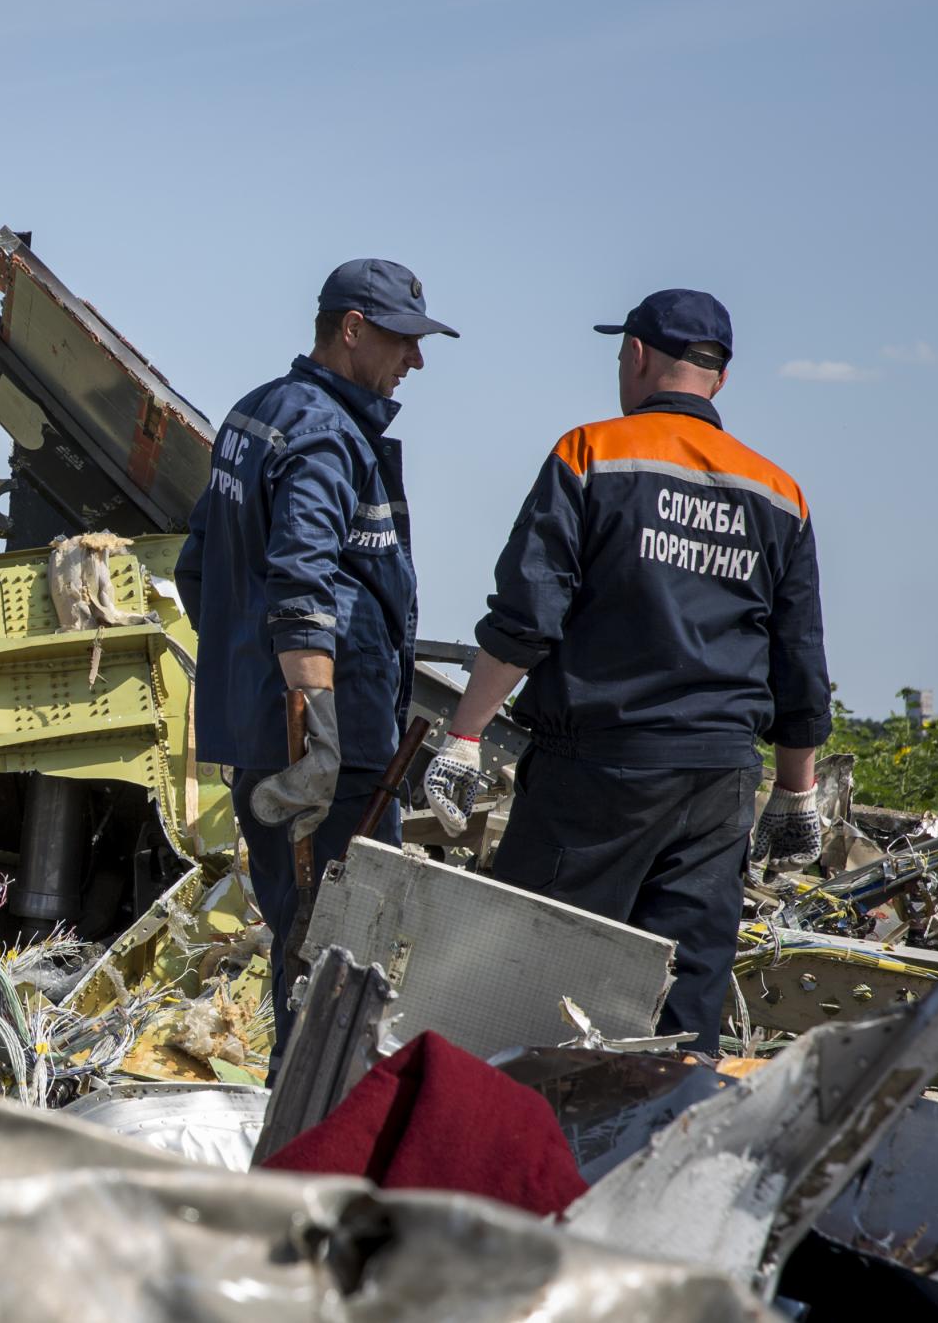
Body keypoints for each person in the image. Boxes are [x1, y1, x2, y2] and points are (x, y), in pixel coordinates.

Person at [422, 289, 830, 1053]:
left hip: (597, 776)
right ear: (720, 378)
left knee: (526, 984)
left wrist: (464, 736)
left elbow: (526, 618)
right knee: (681, 1011)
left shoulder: (591, 454)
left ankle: (511, 1159)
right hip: (717, 786)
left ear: (637, 356)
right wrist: (796, 789)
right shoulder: (780, 494)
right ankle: (659, 1152)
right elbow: (798, 659)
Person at [176, 260, 458, 1062]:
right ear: (353, 328)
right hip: (328, 758)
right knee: (345, 957)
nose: (417, 360)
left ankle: (301, 1114)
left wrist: (252, 684)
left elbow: (202, 567)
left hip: (275, 737)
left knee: (304, 941)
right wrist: (320, 736)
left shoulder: (257, 413)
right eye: (404, 340)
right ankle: (317, 1127)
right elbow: (302, 585)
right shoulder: (327, 433)